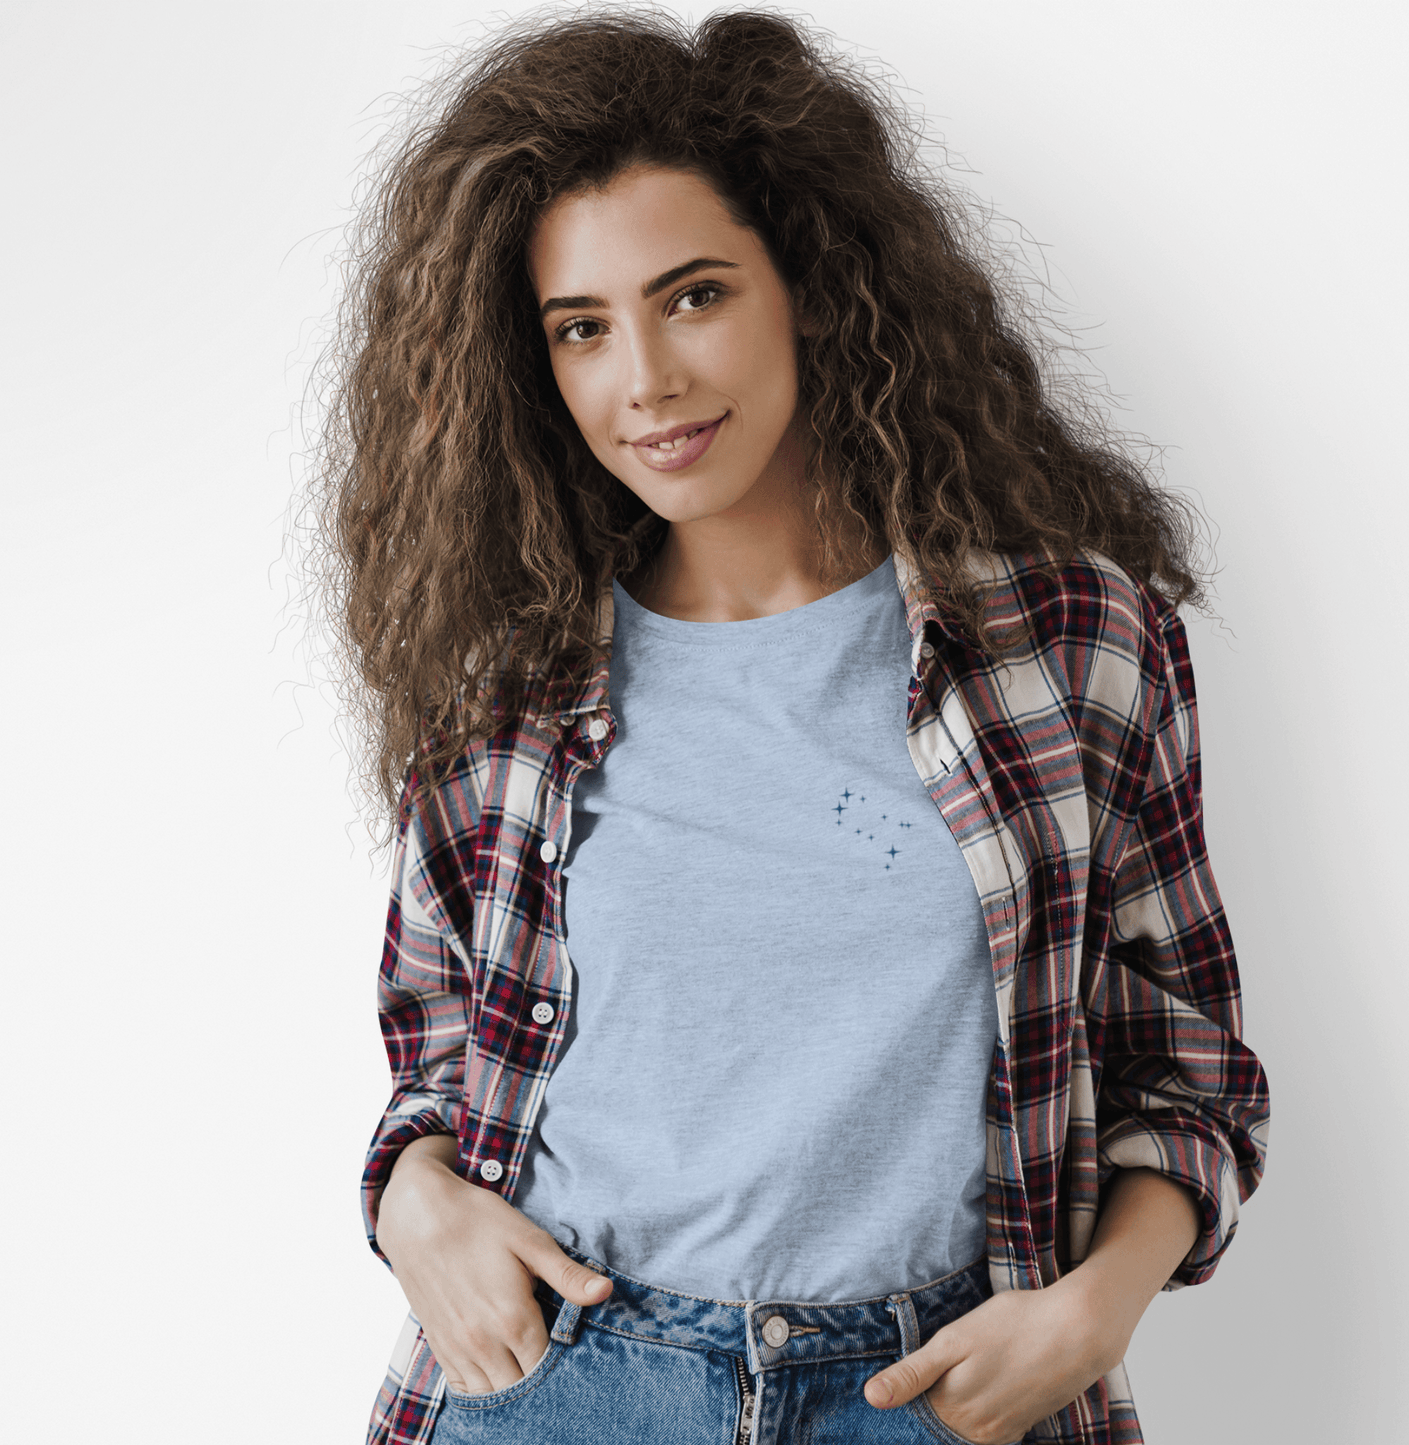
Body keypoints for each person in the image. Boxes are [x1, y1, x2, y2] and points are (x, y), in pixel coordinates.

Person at [309, 10, 1270, 1444]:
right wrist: (410, 1200)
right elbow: (439, 1054)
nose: (645, 379)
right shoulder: (504, 689)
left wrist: (1095, 1311)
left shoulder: (1072, 645)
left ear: (809, 288)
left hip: (940, 1390)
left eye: (693, 296)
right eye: (582, 328)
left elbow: (1184, 1063)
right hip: (562, 1381)